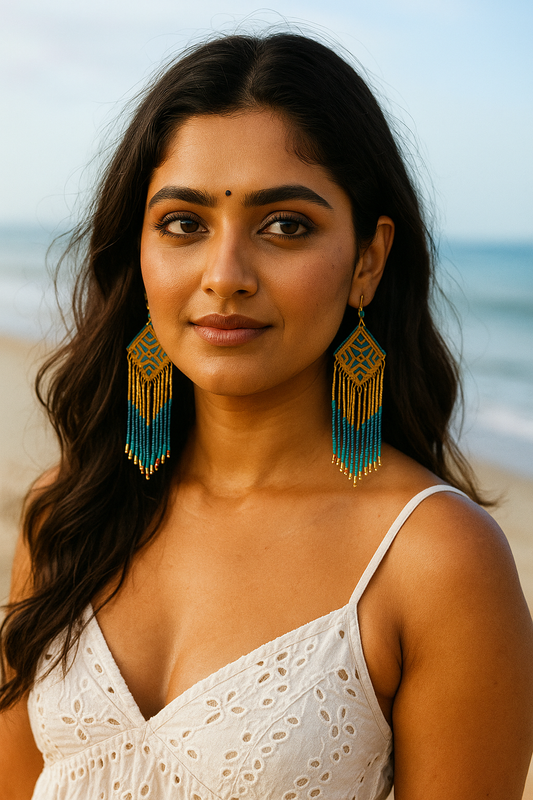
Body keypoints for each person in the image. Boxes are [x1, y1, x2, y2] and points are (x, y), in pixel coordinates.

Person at [1, 31, 532, 800]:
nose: (225, 276)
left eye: (285, 225)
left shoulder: (435, 561)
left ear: (367, 262)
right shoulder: (70, 512)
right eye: (184, 223)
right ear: (139, 253)